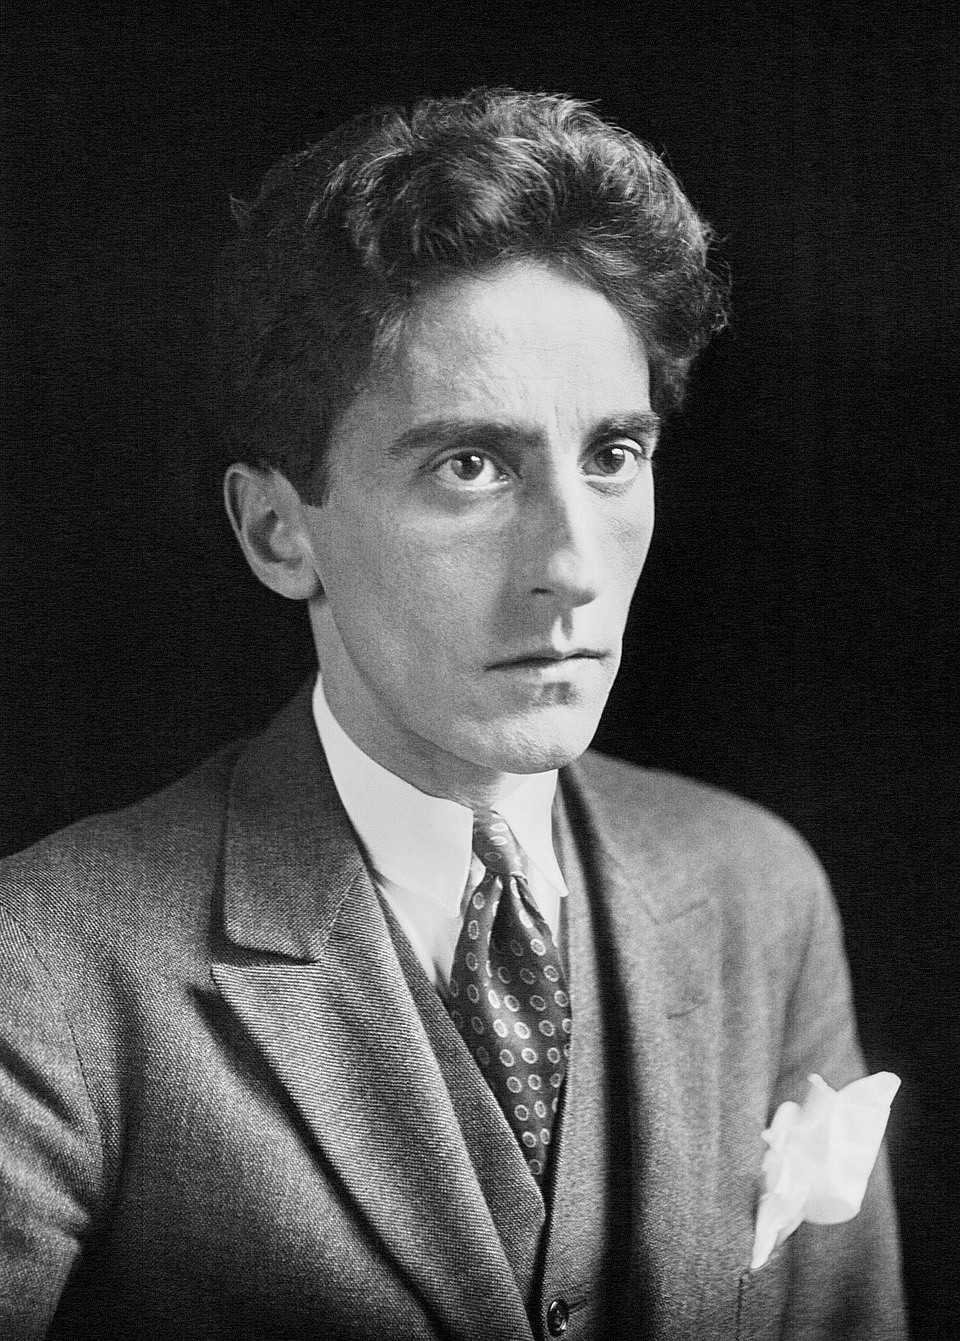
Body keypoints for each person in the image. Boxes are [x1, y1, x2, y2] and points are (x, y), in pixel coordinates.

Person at [0, 88, 905, 1340]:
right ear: (278, 532)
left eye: (613, 456)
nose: (572, 567)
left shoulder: (760, 890)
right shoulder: (47, 969)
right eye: (470, 467)